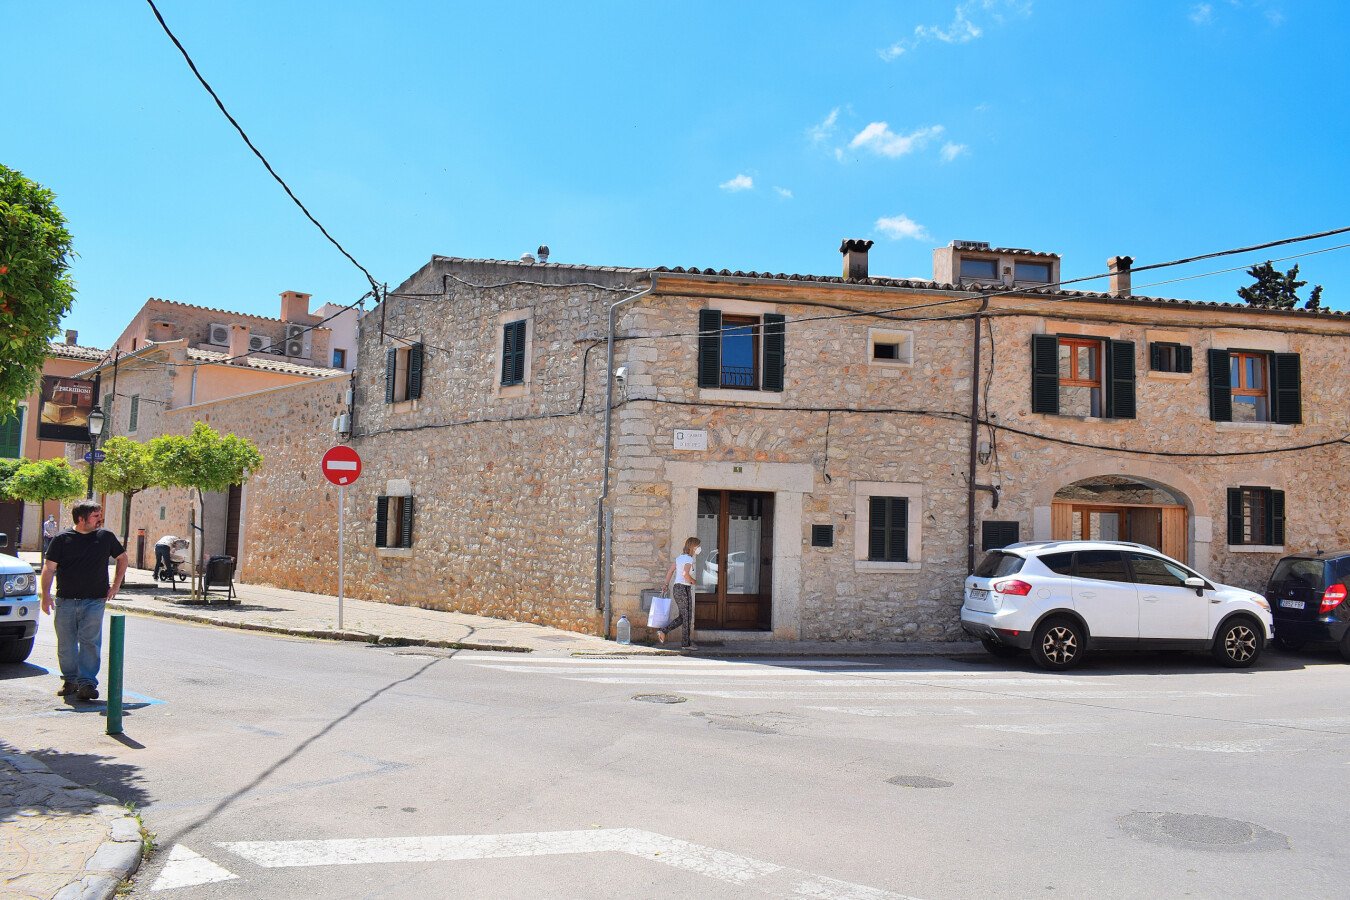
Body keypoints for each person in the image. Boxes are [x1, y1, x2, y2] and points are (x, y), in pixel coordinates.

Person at [40, 500, 128, 702]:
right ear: (81, 518)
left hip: (94, 600)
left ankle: (87, 683)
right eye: (96, 515)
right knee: (66, 644)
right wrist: (45, 594)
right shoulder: (62, 539)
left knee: (90, 642)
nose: (100, 519)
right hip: (66, 600)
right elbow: (49, 568)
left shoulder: (105, 537)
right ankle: (70, 680)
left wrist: (116, 585)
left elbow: (122, 558)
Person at [658, 536, 700, 650]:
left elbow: (670, 571)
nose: (699, 548)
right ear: (693, 547)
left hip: (678, 588)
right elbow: (685, 574)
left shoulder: (679, 558)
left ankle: (663, 631)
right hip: (683, 588)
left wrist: (666, 585)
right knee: (686, 617)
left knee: (684, 616)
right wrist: (693, 581)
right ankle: (685, 644)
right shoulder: (689, 559)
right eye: (698, 546)